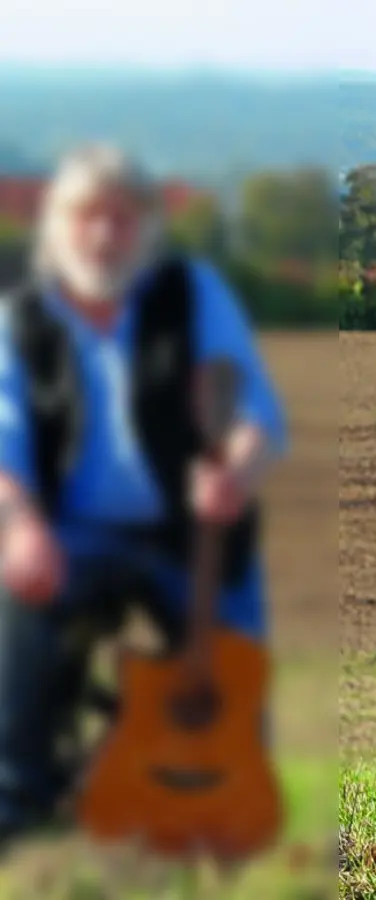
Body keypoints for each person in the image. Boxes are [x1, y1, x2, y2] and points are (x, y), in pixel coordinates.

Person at [0, 144, 286, 843]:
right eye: (86, 216)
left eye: (123, 218)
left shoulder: (191, 293)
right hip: (66, 529)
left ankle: (227, 788)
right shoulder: (21, 314)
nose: (103, 235)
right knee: (11, 609)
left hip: (190, 531)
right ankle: (18, 795)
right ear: (55, 226)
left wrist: (236, 470)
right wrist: (20, 526)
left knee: (232, 658)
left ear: (149, 229)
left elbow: (256, 412)